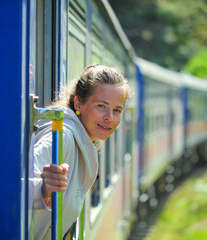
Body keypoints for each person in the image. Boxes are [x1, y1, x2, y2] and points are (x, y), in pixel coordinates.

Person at [32, 64, 131, 239]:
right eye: (101, 106)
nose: (110, 117)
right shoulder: (63, 136)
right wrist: (42, 188)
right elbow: (15, 184)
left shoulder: (82, 140)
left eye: (117, 110)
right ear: (78, 103)